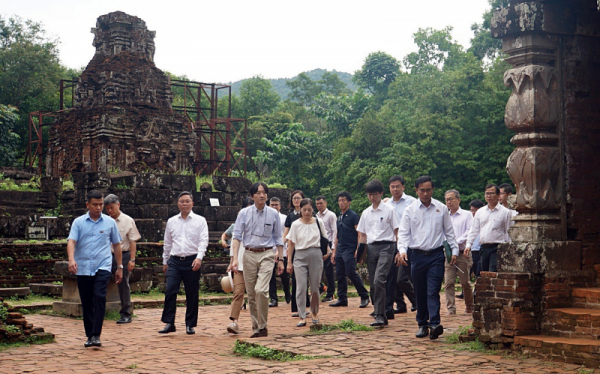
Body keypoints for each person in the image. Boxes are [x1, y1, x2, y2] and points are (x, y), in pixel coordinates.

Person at [398, 176, 458, 340]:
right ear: (416, 190)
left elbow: (449, 232)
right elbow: (403, 233)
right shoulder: (410, 210)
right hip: (416, 255)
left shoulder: (441, 208)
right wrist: (402, 250)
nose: (425, 193)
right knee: (420, 290)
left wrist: (454, 251)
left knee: (433, 290)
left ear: (433, 190)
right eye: (422, 190)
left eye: (428, 190)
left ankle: (435, 323)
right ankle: (422, 324)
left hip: (436, 255)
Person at [67, 190, 123, 348]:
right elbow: (71, 242)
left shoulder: (109, 222)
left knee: (99, 296)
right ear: (87, 205)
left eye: (101, 205)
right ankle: (89, 334)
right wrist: (71, 259)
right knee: (86, 301)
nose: (99, 208)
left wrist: (119, 266)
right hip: (83, 267)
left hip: (103, 265)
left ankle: (96, 334)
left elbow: (117, 244)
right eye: (95, 205)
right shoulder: (78, 222)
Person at [231, 182, 284, 338]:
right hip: (248, 254)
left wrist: (280, 259)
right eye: (258, 193)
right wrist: (234, 258)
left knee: (261, 290)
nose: (262, 195)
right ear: (252, 195)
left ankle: (263, 325)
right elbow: (237, 237)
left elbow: (278, 238)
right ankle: (257, 328)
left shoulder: (273, 214)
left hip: (267, 254)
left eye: (264, 192)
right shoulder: (244, 213)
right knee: (252, 294)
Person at [159, 191, 208, 335]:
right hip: (174, 260)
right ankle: (169, 322)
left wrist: (199, 258)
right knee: (170, 290)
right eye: (182, 201)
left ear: (192, 203)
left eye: (187, 201)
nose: (185, 204)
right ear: (178, 204)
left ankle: (190, 324)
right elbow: (167, 243)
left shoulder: (200, 220)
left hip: (192, 260)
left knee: (191, 293)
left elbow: (203, 241)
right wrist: (165, 261)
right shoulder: (172, 221)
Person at [357, 180, 401, 327]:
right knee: (373, 283)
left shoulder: (389, 210)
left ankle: (381, 315)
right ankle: (379, 310)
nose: (372, 198)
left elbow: (397, 231)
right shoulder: (366, 212)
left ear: (381, 193)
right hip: (371, 248)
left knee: (379, 279)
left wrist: (400, 250)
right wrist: (360, 254)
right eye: (369, 195)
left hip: (387, 246)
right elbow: (362, 235)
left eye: (374, 194)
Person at [286, 198, 329, 327]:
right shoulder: (295, 224)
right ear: (300, 210)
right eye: (304, 210)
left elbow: (324, 238)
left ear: (312, 210)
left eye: (309, 210)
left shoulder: (318, 222)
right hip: (300, 255)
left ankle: (314, 312)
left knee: (315, 287)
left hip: (315, 254)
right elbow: (291, 244)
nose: (307, 212)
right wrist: (289, 261)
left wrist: (327, 251)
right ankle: (302, 315)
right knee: (301, 287)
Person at [104, 194, 141, 324]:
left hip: (124, 254)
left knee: (123, 283)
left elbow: (132, 241)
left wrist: (132, 259)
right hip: (107, 255)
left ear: (118, 205)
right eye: (107, 208)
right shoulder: (104, 220)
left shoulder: (127, 220)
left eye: (112, 208)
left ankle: (126, 312)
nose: (109, 211)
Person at [329, 191, 370, 308]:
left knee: (351, 272)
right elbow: (337, 236)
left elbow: (359, 233)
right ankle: (342, 298)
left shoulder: (353, 216)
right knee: (340, 274)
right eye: (340, 201)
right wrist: (334, 251)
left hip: (350, 248)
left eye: (344, 200)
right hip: (340, 248)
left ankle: (364, 296)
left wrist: (358, 249)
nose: (341, 203)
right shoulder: (339, 218)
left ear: (349, 202)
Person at [386, 175, 416, 316]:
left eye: (398, 186)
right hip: (392, 244)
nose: (395, 189)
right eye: (392, 186)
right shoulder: (386, 204)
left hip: (409, 244)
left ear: (403, 187)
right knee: (392, 277)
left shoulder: (412, 202)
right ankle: (401, 304)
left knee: (405, 277)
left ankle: (417, 300)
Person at [465, 184, 512, 272]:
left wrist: (508, 249)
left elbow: (508, 231)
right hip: (483, 247)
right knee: (485, 274)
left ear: (498, 195)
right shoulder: (480, 212)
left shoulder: (505, 212)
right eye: (487, 194)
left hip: (497, 247)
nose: (489, 196)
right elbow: (474, 229)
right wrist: (468, 245)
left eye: (491, 193)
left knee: (493, 272)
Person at [224, 197, 253, 335]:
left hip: (254, 263)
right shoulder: (238, 225)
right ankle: (234, 321)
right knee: (238, 293)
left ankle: (258, 321)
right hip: (239, 263)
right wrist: (232, 261)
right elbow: (234, 245)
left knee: (256, 293)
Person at [443, 189, 474, 315]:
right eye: (447, 200)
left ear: (458, 200)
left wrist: (455, 242)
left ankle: (469, 305)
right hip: (449, 254)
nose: (449, 202)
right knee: (448, 282)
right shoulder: (445, 216)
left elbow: (470, 231)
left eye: (451, 199)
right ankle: (451, 308)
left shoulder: (467, 215)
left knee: (465, 282)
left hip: (463, 254)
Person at [283, 190, 310, 317]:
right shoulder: (290, 217)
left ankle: (307, 306)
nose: (296, 201)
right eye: (294, 198)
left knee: (306, 280)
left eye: (298, 198)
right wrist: (281, 245)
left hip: (306, 249)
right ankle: (296, 308)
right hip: (294, 250)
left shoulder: (308, 214)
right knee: (296, 280)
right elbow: (286, 234)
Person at [268, 197, 291, 306]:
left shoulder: (284, 218)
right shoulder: (266, 217)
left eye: (276, 205)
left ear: (280, 206)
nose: (274, 207)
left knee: (284, 275)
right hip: (269, 250)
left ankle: (287, 294)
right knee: (270, 276)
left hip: (283, 250)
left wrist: (280, 250)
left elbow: (286, 235)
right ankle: (274, 298)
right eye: (272, 205)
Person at [315, 195, 337, 302]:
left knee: (329, 271)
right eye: (317, 204)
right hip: (318, 245)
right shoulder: (315, 216)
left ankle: (331, 293)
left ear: (326, 203)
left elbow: (334, 232)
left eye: (321, 203)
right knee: (316, 270)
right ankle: (321, 288)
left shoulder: (331, 215)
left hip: (328, 244)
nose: (319, 205)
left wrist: (333, 248)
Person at [468, 199, 484, 279]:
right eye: (472, 210)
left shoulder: (485, 220)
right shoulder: (470, 221)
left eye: (475, 210)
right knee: (468, 273)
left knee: (479, 273)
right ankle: (466, 291)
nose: (473, 213)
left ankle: (477, 290)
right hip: (472, 251)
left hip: (481, 250)